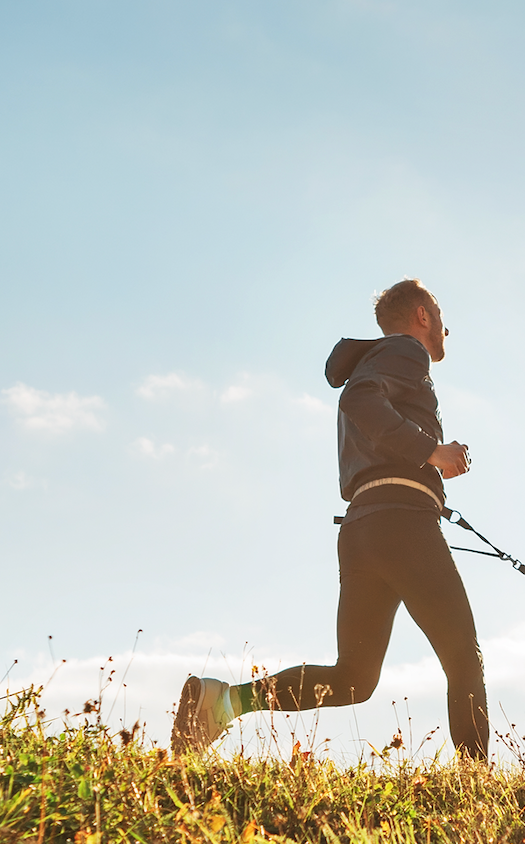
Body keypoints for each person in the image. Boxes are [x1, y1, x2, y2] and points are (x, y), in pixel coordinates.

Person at [174, 279, 491, 759]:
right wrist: (432, 451)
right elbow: (359, 400)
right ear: (423, 315)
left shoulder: (378, 359)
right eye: (440, 314)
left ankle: (224, 700)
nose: (447, 327)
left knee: (354, 678)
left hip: (364, 528)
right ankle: (475, 786)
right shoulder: (407, 352)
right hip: (402, 525)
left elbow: (362, 402)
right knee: (464, 659)